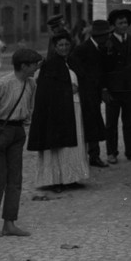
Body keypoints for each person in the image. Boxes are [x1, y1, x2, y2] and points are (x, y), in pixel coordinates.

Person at [0, 47, 42, 238]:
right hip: (0, 131)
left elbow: (30, 108)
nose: (35, 69)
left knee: (15, 180)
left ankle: (9, 223)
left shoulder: (31, 84)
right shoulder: (4, 83)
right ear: (23, 66)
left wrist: (23, 126)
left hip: (17, 132)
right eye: (33, 66)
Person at [27, 30, 90, 191]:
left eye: (67, 45)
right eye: (60, 45)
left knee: (74, 145)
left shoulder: (72, 61)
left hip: (74, 109)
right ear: (55, 47)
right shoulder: (50, 65)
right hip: (58, 112)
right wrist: (68, 90)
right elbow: (47, 91)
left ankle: (71, 178)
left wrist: (78, 88)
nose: (64, 48)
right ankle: (56, 180)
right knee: (58, 148)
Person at [104, 8, 131, 163]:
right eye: (120, 23)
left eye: (125, 23)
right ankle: (111, 152)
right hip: (113, 90)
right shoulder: (107, 42)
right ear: (113, 25)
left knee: (129, 122)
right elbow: (102, 68)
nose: (124, 25)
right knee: (111, 123)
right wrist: (104, 88)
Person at [70, 18, 111, 167]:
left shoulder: (102, 48)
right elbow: (73, 63)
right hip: (85, 94)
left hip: (95, 93)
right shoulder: (83, 49)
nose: (108, 38)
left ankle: (94, 155)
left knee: (93, 123)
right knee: (88, 123)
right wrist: (85, 80)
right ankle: (91, 156)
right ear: (99, 36)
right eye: (106, 35)